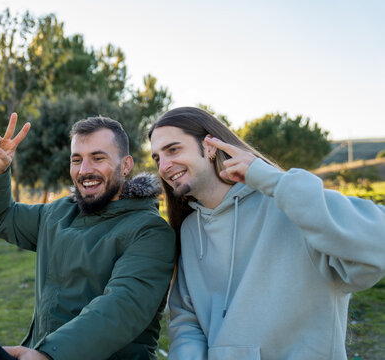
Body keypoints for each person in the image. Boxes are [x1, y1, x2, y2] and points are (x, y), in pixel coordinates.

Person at [148, 107, 385, 360]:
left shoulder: (291, 207)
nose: (164, 166)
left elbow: (377, 243)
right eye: (156, 158)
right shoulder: (189, 229)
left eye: (173, 150)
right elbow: (187, 319)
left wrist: (272, 180)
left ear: (209, 147)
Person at [0, 113, 175, 360]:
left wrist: (50, 354)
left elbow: (122, 307)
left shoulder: (150, 231)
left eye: (98, 158)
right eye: (76, 159)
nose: (84, 170)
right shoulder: (57, 213)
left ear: (126, 165)